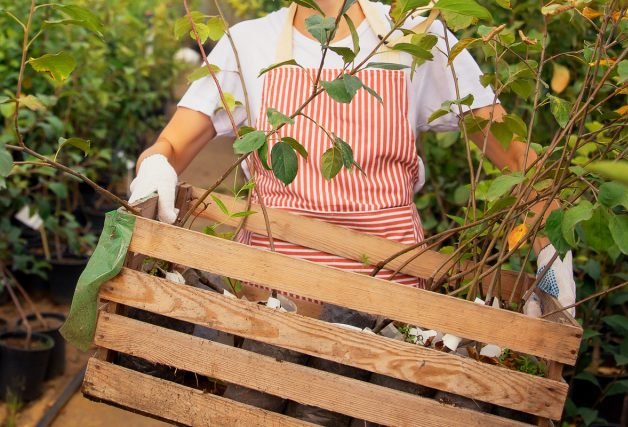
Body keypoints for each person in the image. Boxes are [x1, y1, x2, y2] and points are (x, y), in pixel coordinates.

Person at [128, 0, 575, 316]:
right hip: (268, 303)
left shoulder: (417, 37)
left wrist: (553, 257)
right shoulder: (248, 45)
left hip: (388, 310)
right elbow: (170, 146)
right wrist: (154, 169)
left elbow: (517, 160)